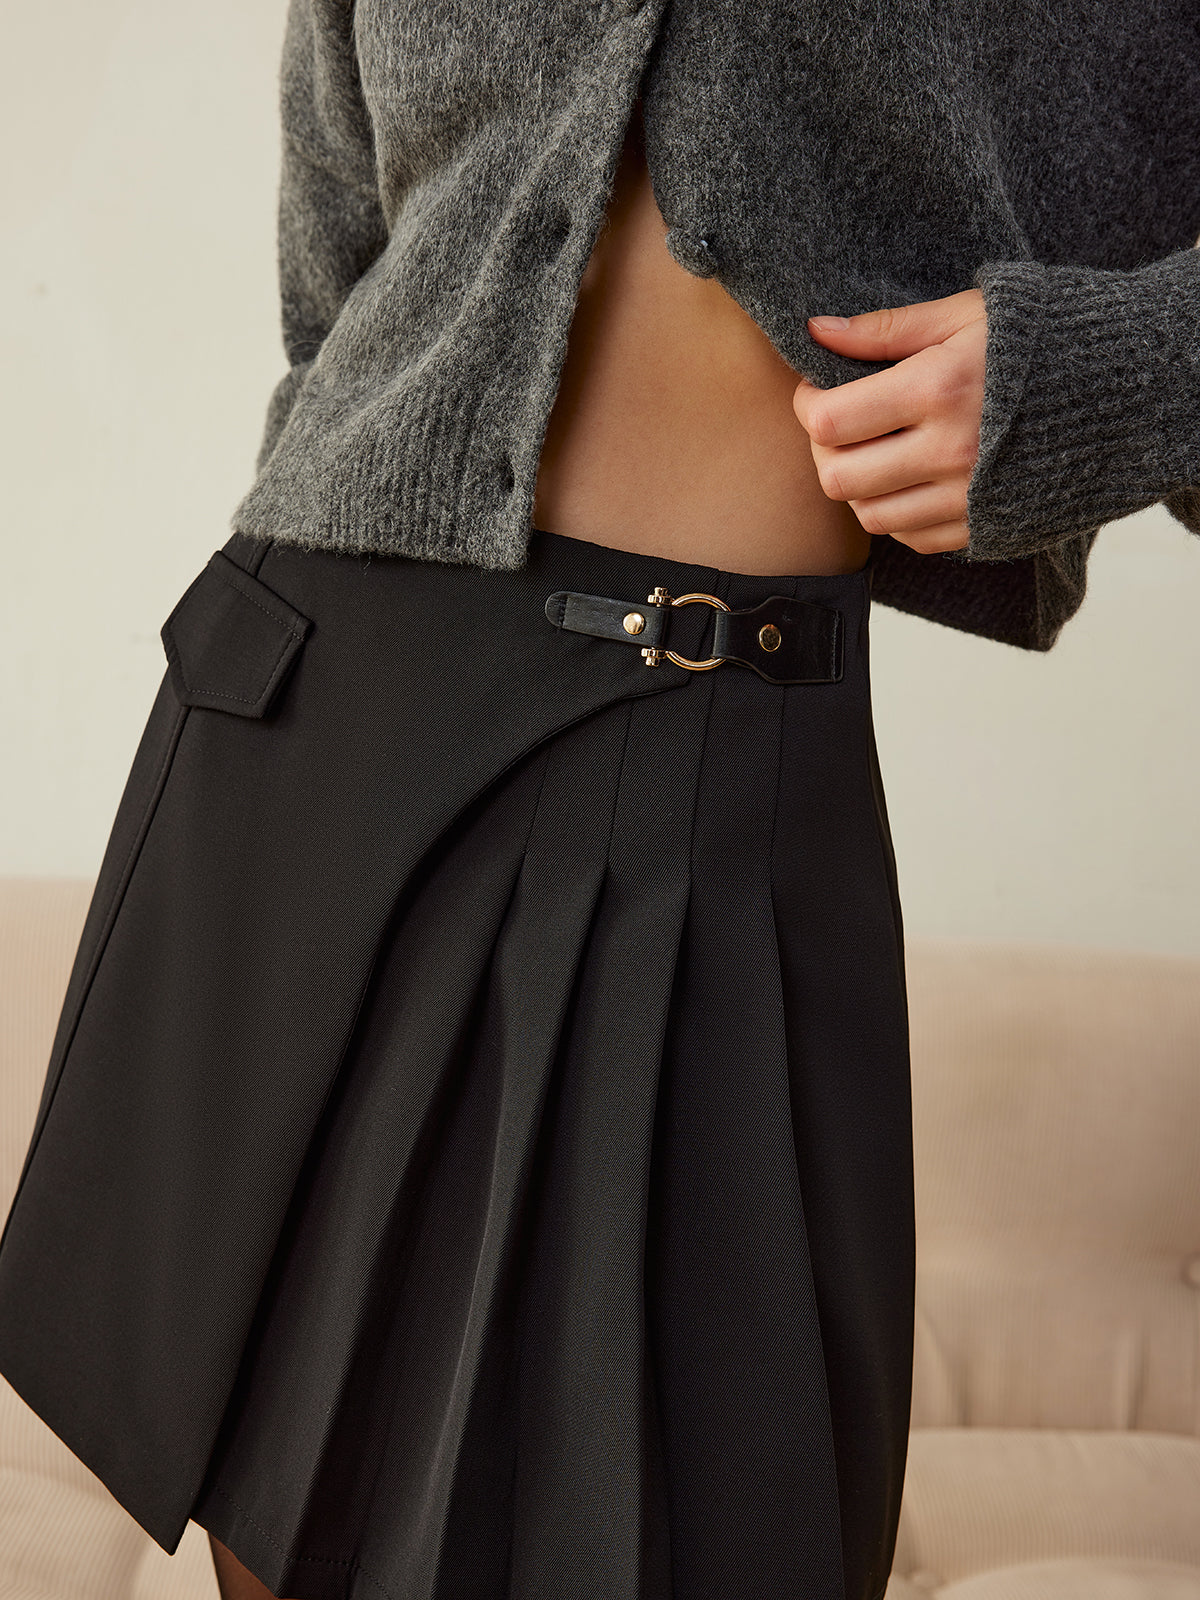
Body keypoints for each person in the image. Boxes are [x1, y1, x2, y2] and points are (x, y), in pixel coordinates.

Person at [1, 6, 1197, 1600]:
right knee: (294, 1522)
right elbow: (338, 276)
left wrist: (1110, 380)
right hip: (314, 718)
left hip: (718, 765)